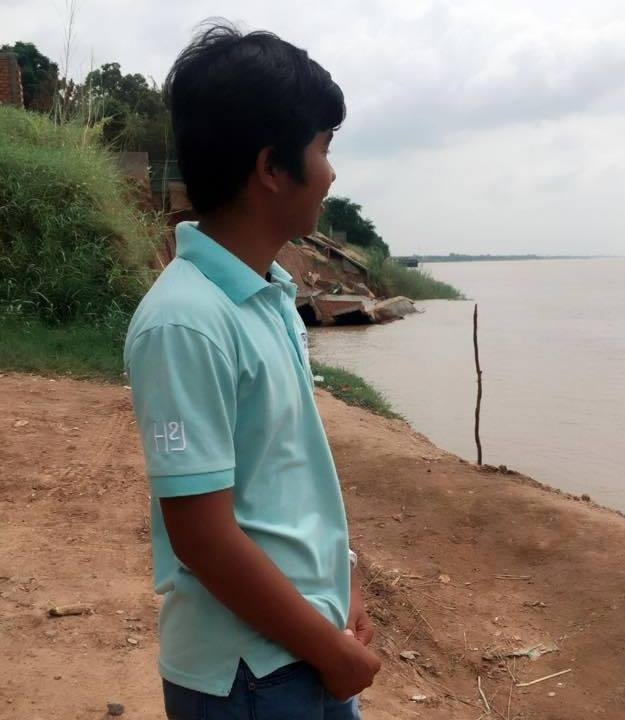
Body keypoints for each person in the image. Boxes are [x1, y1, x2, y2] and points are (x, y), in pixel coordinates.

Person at [124, 21, 381, 719]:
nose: (331, 173)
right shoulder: (185, 321)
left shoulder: (267, 295)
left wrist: (344, 580)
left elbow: (286, 472)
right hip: (247, 678)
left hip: (302, 647)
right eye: (323, 148)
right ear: (272, 168)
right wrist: (330, 652)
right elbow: (201, 536)